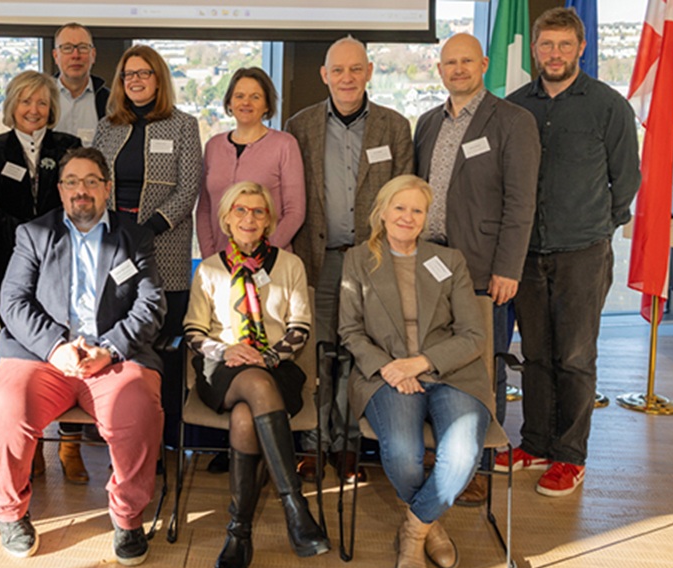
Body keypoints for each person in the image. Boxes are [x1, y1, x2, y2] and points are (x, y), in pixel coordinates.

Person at [0, 147, 165, 565]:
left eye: (91, 181)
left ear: (107, 188)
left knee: (138, 410)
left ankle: (127, 517)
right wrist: (55, 347)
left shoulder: (134, 236)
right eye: (71, 182)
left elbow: (151, 305)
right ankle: (9, 513)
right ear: (60, 189)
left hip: (113, 358)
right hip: (44, 357)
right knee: (6, 410)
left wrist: (109, 349)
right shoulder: (34, 234)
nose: (81, 190)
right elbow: (12, 302)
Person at [503, 7, 640, 496]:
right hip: (527, 252)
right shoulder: (516, 107)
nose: (555, 54)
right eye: (547, 45)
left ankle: (569, 456)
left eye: (564, 45)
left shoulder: (608, 106)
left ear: (581, 47)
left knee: (576, 357)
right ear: (535, 49)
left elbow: (627, 180)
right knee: (536, 354)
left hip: (583, 251)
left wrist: (599, 225)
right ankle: (536, 443)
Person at [338, 175, 491, 568]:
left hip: (451, 373)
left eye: (417, 210)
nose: (407, 217)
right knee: (405, 454)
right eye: (400, 207)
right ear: (382, 212)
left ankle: (414, 529)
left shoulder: (449, 260)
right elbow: (350, 331)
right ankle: (431, 525)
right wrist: (391, 368)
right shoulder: (358, 260)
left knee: (462, 457)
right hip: (386, 375)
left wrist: (419, 363)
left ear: (426, 217)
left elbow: (474, 335)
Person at [414, 33, 539, 504]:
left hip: (485, 268)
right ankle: (440, 455)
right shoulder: (428, 122)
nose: (458, 69)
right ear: (439, 69)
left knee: (485, 367)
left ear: (484, 64)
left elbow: (521, 201)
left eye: (467, 61)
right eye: (450, 62)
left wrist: (509, 267)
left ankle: (478, 466)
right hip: (430, 265)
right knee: (433, 359)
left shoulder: (513, 121)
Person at [183, 181, 329, 568]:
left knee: (246, 416)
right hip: (222, 368)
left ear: (269, 220)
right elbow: (193, 331)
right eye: (240, 210)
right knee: (253, 386)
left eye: (258, 211)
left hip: (278, 366)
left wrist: (267, 357)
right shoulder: (210, 269)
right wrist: (225, 350)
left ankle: (239, 533)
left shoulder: (290, 265)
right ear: (226, 219)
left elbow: (300, 327)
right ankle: (295, 507)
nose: (249, 218)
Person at [284, 36, 414, 483]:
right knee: (317, 355)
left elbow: (404, 198)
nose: (347, 78)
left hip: (371, 263)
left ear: (369, 72)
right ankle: (314, 443)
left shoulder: (394, 127)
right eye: (338, 70)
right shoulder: (300, 126)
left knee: (359, 355)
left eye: (356, 69)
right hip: (316, 260)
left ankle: (349, 445)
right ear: (324, 75)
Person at [0, 70, 84, 482]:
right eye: (25, 101)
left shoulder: (68, 146)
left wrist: (48, 240)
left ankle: (70, 445)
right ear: (12, 106)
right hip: (9, 260)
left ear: (51, 107)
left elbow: (75, 199)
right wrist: (26, 239)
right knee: (21, 346)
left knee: (66, 339)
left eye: (41, 102)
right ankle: (31, 443)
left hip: (62, 260)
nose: (33, 109)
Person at [93, 44, 201, 447]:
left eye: (143, 73)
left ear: (159, 79)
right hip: (114, 246)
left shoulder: (183, 125)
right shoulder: (108, 126)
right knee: (119, 333)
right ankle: (121, 429)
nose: (135, 80)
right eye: (128, 74)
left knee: (164, 342)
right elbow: (95, 181)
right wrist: (116, 231)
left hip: (165, 244)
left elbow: (188, 188)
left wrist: (147, 228)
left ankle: (167, 436)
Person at [196, 67, 305, 258]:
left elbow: (295, 211)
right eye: (239, 96)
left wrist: (261, 255)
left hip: (269, 260)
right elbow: (204, 209)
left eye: (255, 97)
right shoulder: (213, 146)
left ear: (267, 105)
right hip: (220, 260)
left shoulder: (285, 145)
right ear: (229, 103)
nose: (246, 102)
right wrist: (211, 257)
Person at [52, 22, 110, 146]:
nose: (75, 55)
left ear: (93, 55)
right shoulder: (42, 98)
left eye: (83, 47)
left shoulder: (110, 101)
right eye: (67, 48)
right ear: (56, 56)